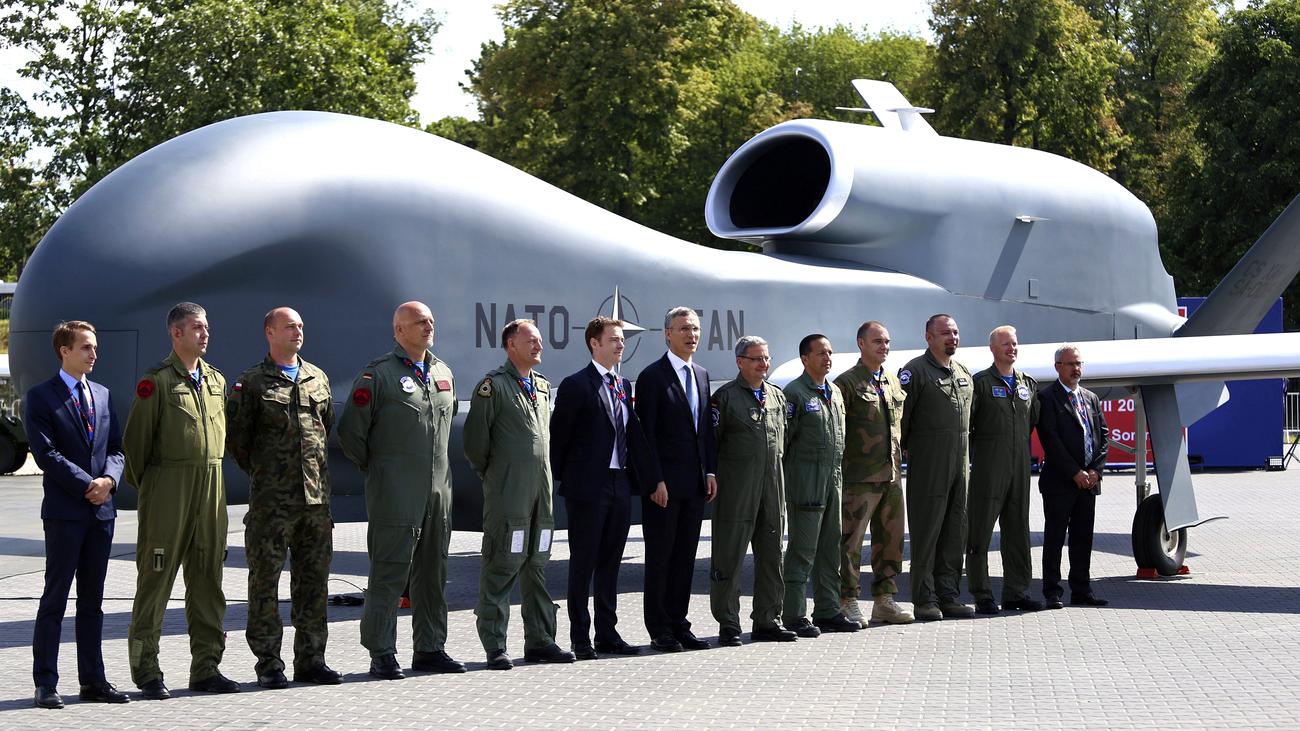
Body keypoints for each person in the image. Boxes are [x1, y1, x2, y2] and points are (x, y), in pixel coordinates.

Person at [338, 302, 466, 679]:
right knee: (390, 573)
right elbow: (351, 433)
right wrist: (383, 469)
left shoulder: (443, 372)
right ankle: (381, 651)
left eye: (431, 321)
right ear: (399, 330)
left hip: (437, 493)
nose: (428, 326)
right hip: (395, 492)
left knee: (433, 573)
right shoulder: (378, 375)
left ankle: (430, 648)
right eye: (419, 322)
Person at [124, 302, 238, 698]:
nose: (205, 334)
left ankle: (206, 668)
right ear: (176, 333)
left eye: (206, 327)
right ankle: (146, 671)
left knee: (208, 580)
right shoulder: (156, 382)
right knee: (155, 580)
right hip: (168, 490)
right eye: (197, 328)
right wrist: (156, 490)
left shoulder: (216, 380)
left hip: (211, 488)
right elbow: (135, 446)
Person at [226, 307, 341, 688]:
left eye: (301, 326)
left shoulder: (317, 378)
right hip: (271, 504)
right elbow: (238, 442)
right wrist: (270, 474)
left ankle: (311, 660)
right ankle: (269, 664)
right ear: (270, 333)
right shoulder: (251, 382)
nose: (298, 331)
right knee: (265, 585)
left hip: (315, 502)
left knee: (314, 584)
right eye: (290, 326)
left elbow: (325, 428)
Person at [25, 320, 129, 708]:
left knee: (92, 602)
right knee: (55, 599)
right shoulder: (41, 397)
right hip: (65, 513)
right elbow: (46, 453)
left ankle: (93, 681)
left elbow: (116, 448)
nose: (94, 353)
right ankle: (46, 683)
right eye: (86, 347)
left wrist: (110, 481)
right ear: (64, 351)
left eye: (94, 347)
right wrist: (90, 484)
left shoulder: (102, 394)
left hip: (101, 514)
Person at [551, 316, 665, 659]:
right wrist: (572, 479)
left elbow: (634, 435)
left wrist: (652, 479)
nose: (620, 345)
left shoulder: (622, 384)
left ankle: (607, 633)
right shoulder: (576, 385)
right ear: (594, 343)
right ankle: (580, 638)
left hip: (619, 483)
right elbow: (559, 440)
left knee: (611, 562)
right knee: (583, 563)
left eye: (622, 340)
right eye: (614, 339)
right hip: (588, 487)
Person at [463, 319, 575, 669]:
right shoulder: (493, 387)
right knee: (502, 563)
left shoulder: (541, 386)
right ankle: (495, 645)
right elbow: (475, 444)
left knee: (537, 563)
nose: (539, 346)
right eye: (532, 341)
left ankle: (541, 640)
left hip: (541, 491)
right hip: (508, 491)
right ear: (511, 345)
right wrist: (498, 475)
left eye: (539, 341)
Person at [633, 307, 717, 652]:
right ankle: (659, 628)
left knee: (684, 558)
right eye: (683, 329)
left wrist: (710, 471)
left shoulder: (701, 374)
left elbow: (705, 430)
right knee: (661, 557)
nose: (691, 335)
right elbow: (646, 436)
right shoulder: (652, 377)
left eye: (694, 328)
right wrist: (654, 480)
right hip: (663, 487)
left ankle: (680, 623)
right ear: (667, 334)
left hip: (694, 484)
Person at [710, 335, 795, 646]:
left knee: (772, 556)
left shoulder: (776, 397)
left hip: (772, 489)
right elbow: (712, 445)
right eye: (757, 359)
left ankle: (768, 620)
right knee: (729, 557)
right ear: (740, 362)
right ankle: (728, 622)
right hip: (737, 491)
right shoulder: (725, 398)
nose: (764, 364)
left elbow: (787, 442)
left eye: (766, 358)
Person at [834, 321, 914, 626]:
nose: (884, 346)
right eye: (878, 341)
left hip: (891, 475)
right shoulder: (847, 383)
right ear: (861, 344)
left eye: (887, 341)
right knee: (851, 542)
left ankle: (884, 601)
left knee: (891, 541)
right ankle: (847, 600)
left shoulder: (892, 381)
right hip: (859, 478)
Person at [780, 334, 858, 636]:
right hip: (806, 483)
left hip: (832, 480)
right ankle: (794, 615)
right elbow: (784, 443)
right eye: (821, 353)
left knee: (830, 549)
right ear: (805, 359)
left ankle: (827, 610)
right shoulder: (795, 393)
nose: (827, 358)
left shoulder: (834, 392)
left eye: (830, 353)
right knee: (803, 551)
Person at [899, 314, 975, 621]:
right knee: (927, 532)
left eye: (955, 332)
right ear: (929, 337)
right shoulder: (915, 372)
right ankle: (924, 599)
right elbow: (901, 421)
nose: (952, 338)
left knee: (955, 532)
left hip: (959, 466)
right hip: (929, 466)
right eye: (945, 333)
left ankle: (949, 595)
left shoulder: (963, 372)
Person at [967, 325, 1043, 615]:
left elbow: (1031, 420)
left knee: (1018, 530)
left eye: (1014, 343)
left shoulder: (1027, 384)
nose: (1012, 348)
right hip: (989, 468)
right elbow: (969, 425)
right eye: (1005, 344)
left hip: (1019, 467)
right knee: (980, 531)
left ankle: (1017, 592)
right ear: (993, 349)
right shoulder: (981, 383)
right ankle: (982, 593)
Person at [1036, 344, 1111, 609]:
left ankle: (1081, 589)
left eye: (1079, 364)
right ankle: (1052, 591)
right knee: (1055, 538)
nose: (1076, 369)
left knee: (1082, 538)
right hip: (1060, 482)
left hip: (1088, 483)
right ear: (1058, 366)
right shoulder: (1047, 398)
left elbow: (1103, 436)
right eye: (1070, 364)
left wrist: (1095, 471)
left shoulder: (1090, 397)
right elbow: (1050, 439)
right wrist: (1074, 472)